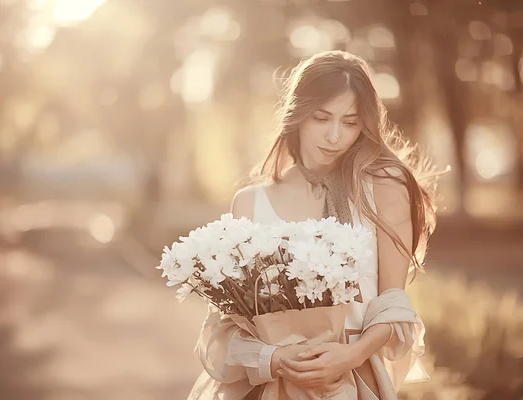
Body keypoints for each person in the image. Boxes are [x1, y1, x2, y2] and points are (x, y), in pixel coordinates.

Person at [188, 50, 439, 399]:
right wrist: (275, 359)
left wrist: (350, 354)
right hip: (272, 387)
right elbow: (227, 324)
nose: (335, 136)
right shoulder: (250, 202)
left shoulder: (384, 186)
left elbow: (393, 303)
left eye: (350, 122)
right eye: (322, 118)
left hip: (354, 380)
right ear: (298, 115)